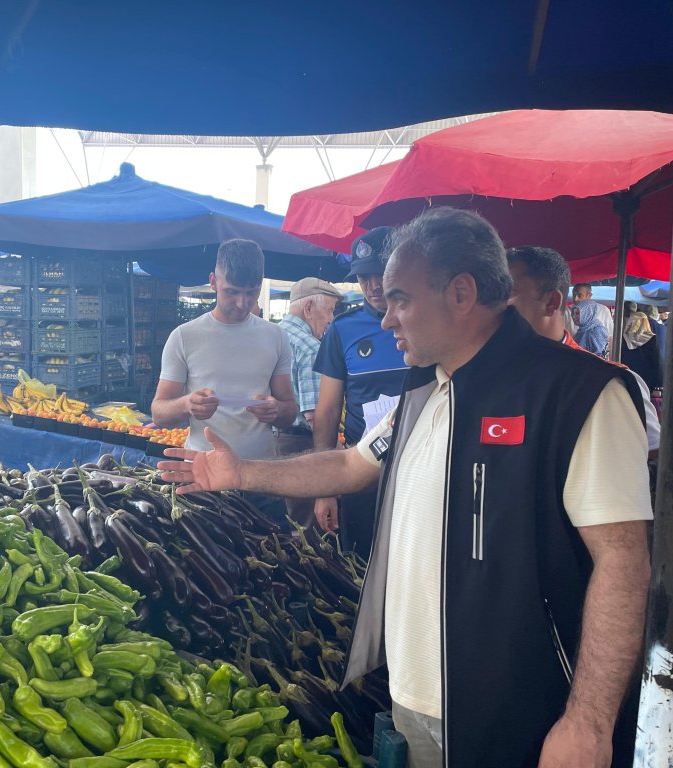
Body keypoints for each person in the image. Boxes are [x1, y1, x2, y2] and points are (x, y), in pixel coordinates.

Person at [159, 208, 652, 768]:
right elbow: (350, 465)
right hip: (417, 696)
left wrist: (588, 721)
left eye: (400, 298)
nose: (387, 318)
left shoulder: (581, 395)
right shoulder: (423, 391)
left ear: (462, 293)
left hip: (525, 710)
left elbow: (623, 562)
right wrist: (243, 475)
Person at [151, 238, 297, 517]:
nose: (242, 303)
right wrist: (186, 405)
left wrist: (277, 410)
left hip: (261, 478)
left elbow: (289, 411)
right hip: (204, 479)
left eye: (251, 293)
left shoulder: (276, 336)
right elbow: (159, 412)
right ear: (213, 282)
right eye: (232, 292)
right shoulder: (184, 337)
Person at [506, 245, 660, 455]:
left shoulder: (613, 384)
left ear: (551, 302)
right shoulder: (483, 374)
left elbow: (652, 451)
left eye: (509, 293)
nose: (494, 306)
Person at [311, 227, 407, 552]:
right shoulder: (342, 330)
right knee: (361, 571)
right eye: (363, 276)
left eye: (379, 272)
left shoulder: (427, 321)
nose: (373, 285)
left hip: (420, 474)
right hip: (362, 474)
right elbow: (326, 413)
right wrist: (325, 487)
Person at [275, 277, 343, 526]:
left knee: (289, 526)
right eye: (329, 311)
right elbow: (317, 417)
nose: (330, 320)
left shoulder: (274, 335)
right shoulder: (310, 347)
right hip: (303, 447)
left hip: (275, 443)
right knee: (311, 531)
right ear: (308, 309)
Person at [621, 301, 662, 391]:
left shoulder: (623, 337)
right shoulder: (651, 338)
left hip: (627, 378)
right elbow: (656, 361)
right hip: (647, 380)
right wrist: (658, 385)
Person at [572, 282, 613, 357]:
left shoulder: (603, 310)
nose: (575, 299)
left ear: (589, 296)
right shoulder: (567, 311)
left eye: (579, 295)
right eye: (573, 295)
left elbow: (610, 338)